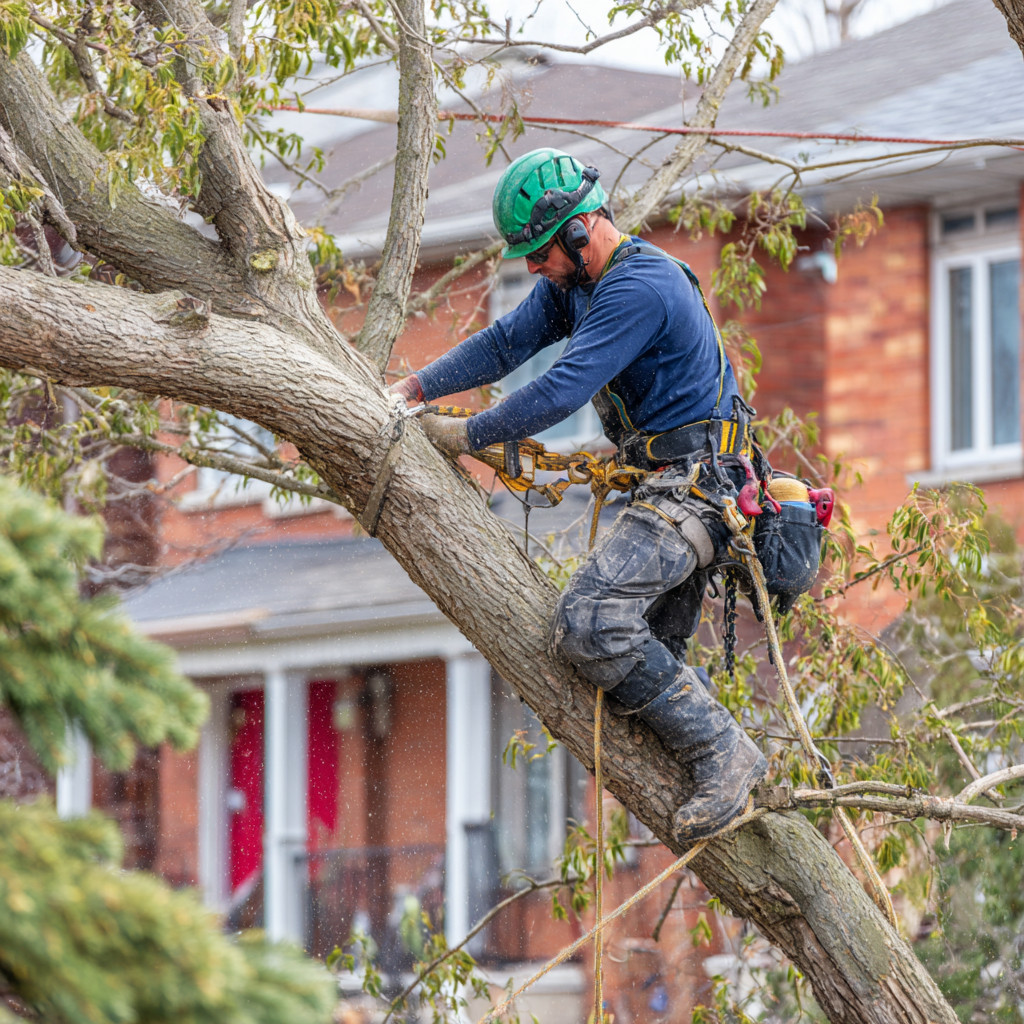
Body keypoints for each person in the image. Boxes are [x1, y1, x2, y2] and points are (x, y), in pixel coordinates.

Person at [391, 148, 767, 846]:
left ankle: (727, 751)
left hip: (696, 489)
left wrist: (465, 434)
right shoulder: (575, 284)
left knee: (592, 620)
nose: (532, 268)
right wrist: (415, 390)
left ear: (578, 232)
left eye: (539, 253)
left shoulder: (639, 287)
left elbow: (561, 389)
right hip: (660, 487)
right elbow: (507, 344)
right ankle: (705, 777)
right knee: (640, 661)